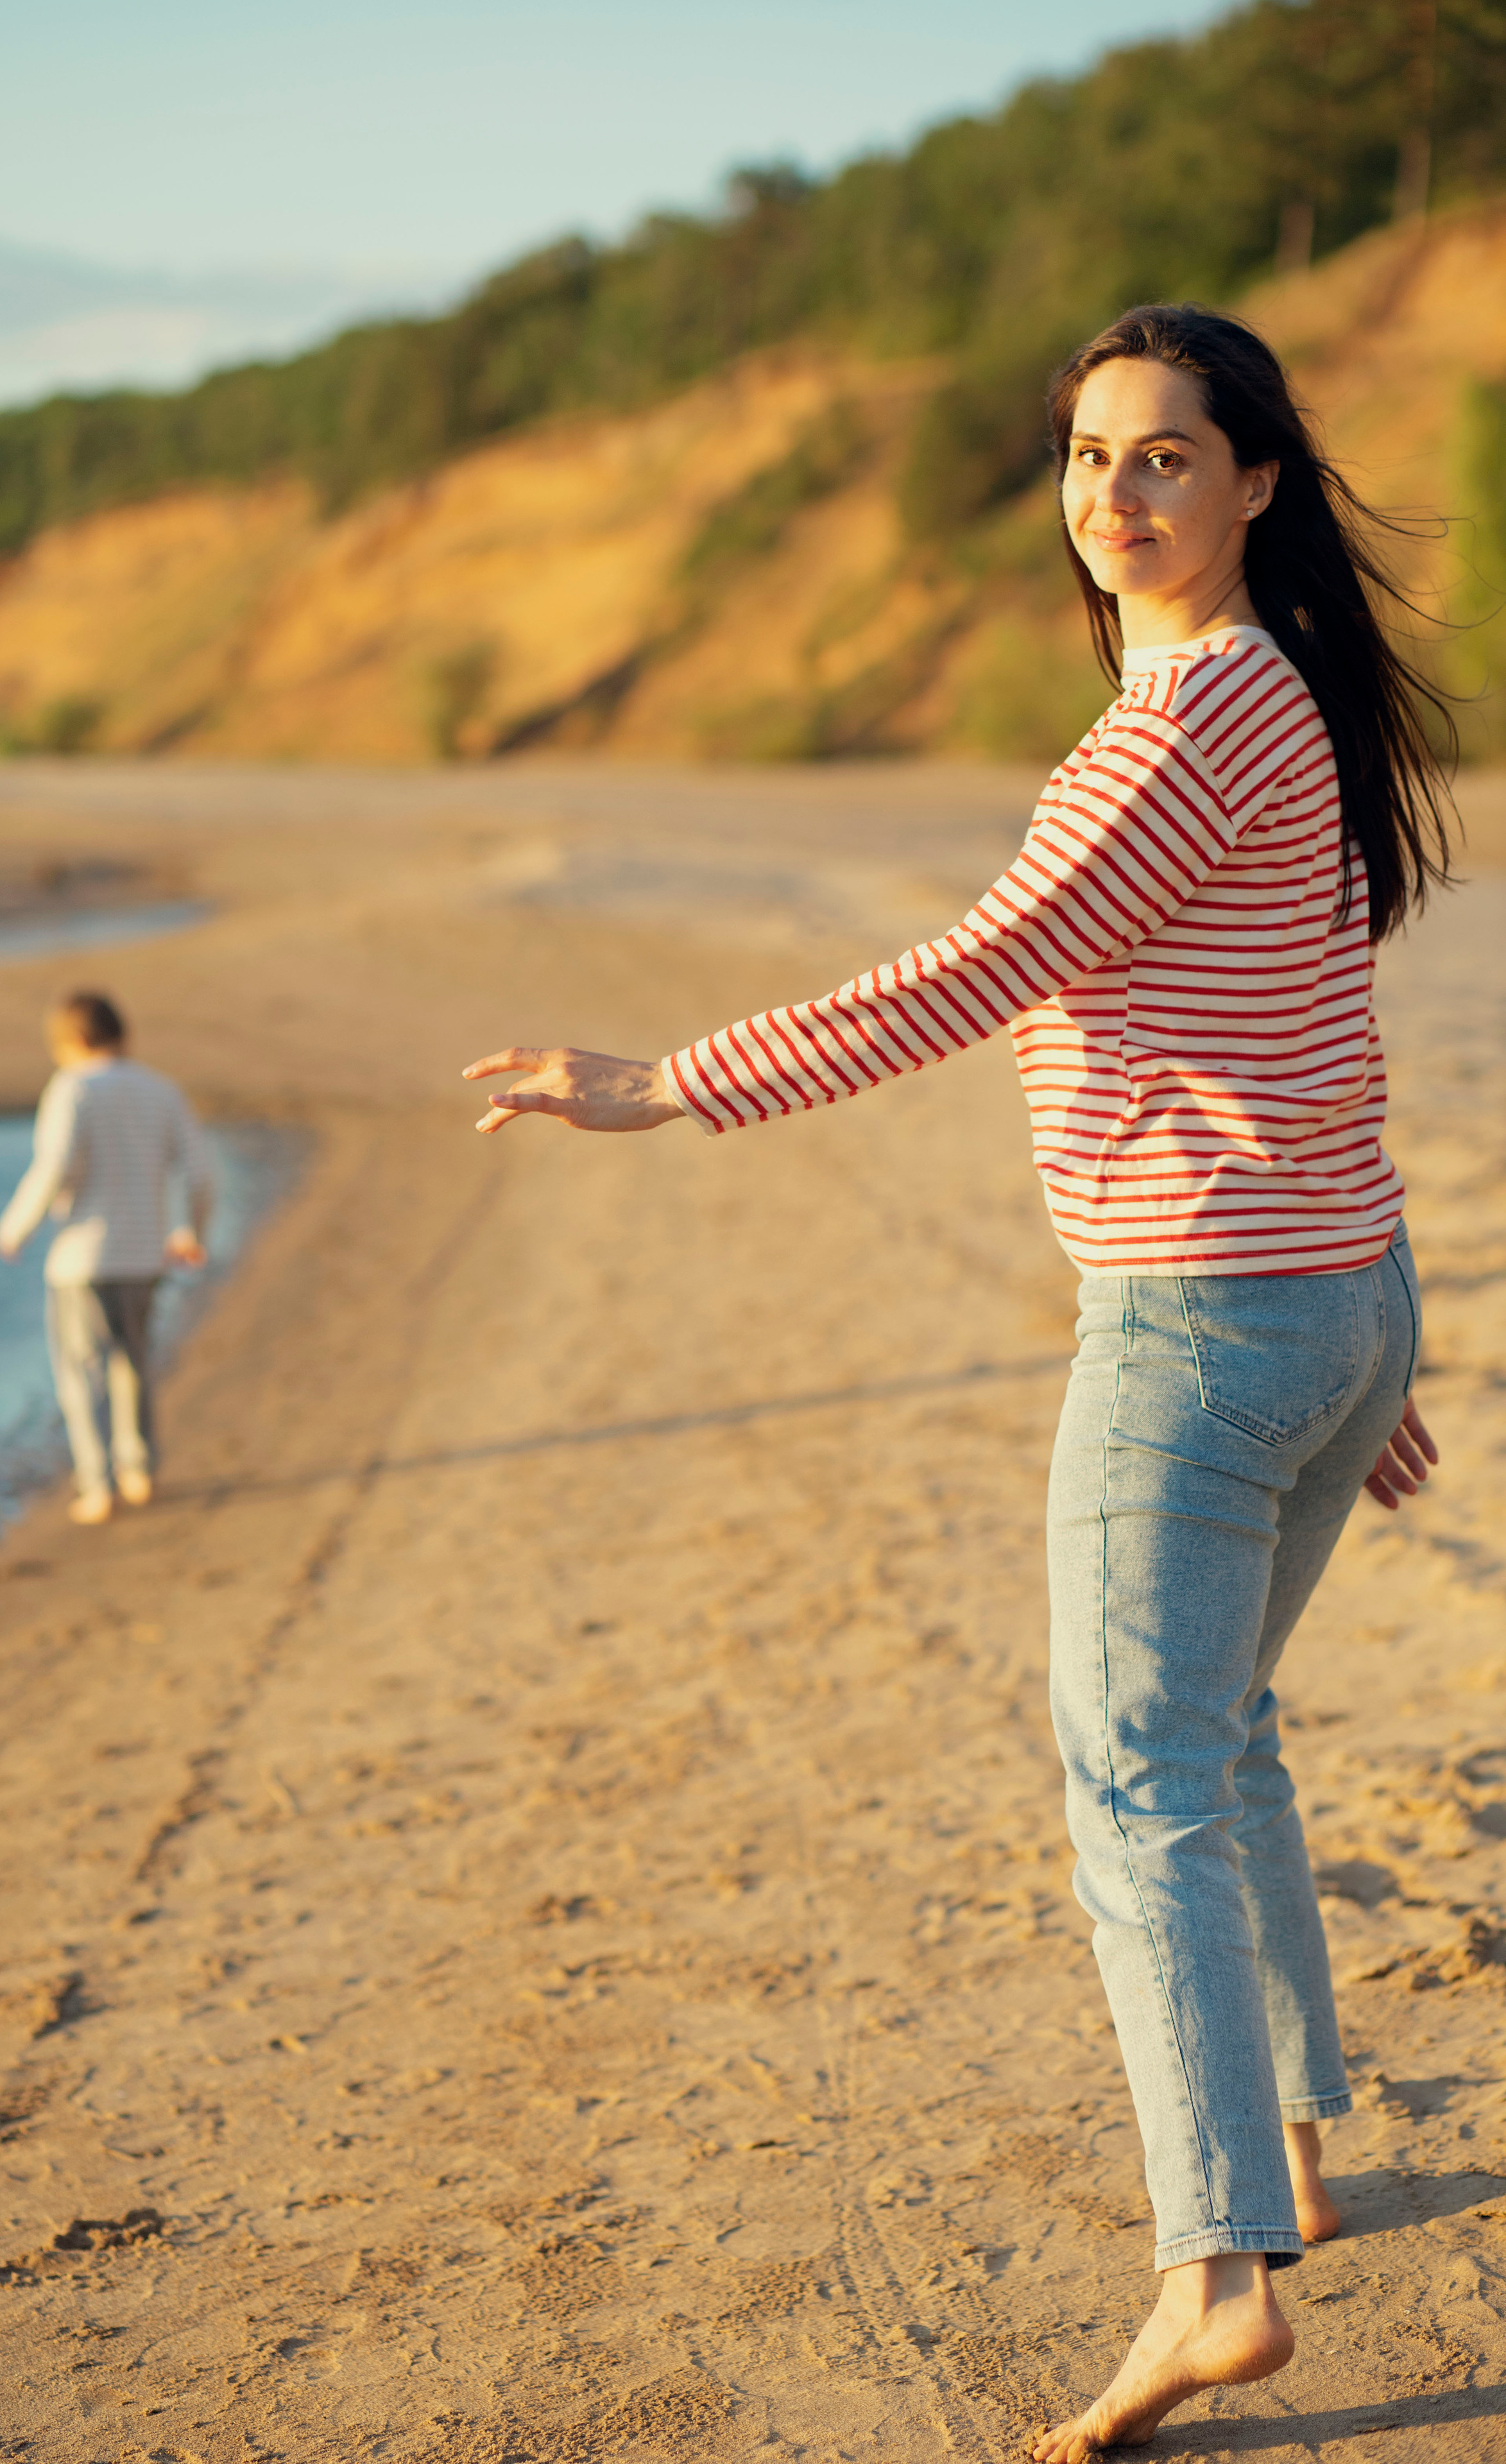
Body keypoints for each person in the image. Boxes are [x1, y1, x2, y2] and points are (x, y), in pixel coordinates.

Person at [461, 303, 1453, 2457]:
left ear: (1257, 480)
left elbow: (980, 971)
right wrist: (1380, 1328)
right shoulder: (1278, 700)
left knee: (1145, 1790)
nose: (1117, 495)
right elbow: (1323, 1007)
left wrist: (668, 1082)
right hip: (1324, 1297)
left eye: (1167, 457)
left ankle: (1212, 2279)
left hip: (1204, 1335)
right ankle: (1286, 2143)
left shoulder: (1175, 729)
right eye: (1091, 459)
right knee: (1228, 1734)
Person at [0, 989, 215, 1527]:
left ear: (70, 1041)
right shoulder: (161, 1091)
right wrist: (191, 1230)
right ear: (123, 1034)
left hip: (81, 1258)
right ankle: (138, 1470)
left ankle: (98, 1485)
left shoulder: (72, 1089)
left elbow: (54, 1166)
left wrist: (15, 1228)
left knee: (83, 1375)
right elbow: (203, 1173)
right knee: (133, 1365)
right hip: (144, 1255)